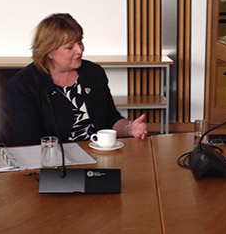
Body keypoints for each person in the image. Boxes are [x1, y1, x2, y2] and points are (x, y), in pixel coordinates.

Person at [8, 13, 148, 146]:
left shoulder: (93, 73)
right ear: (49, 52)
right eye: (69, 47)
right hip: (52, 162)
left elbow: (111, 120)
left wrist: (130, 129)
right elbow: (26, 142)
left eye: (80, 42)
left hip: (97, 156)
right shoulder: (24, 84)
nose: (80, 50)